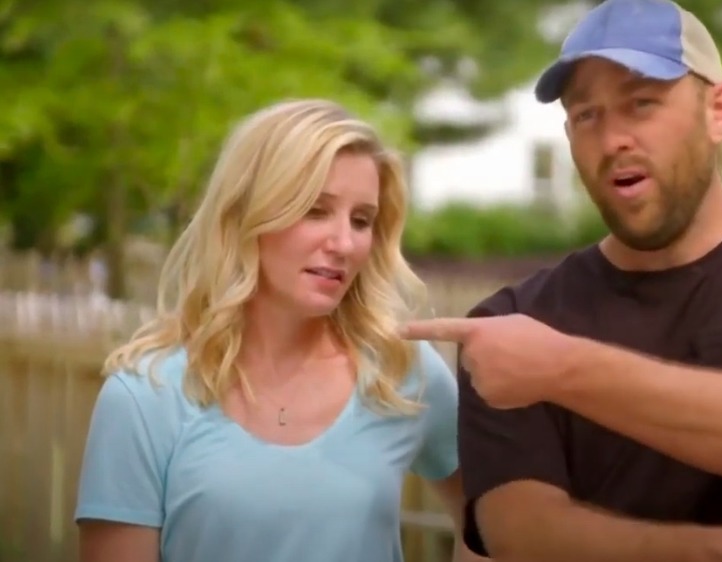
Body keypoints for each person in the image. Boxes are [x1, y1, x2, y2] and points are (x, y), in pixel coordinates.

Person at [402, 0, 722, 560]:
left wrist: (559, 369)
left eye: (641, 103)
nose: (612, 137)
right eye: (586, 115)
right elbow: (521, 534)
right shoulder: (510, 323)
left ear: (720, 111)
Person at [74, 99, 484, 562]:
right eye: (315, 210)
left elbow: (494, 521)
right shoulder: (144, 394)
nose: (344, 244)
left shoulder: (401, 371)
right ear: (247, 214)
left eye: (361, 220)